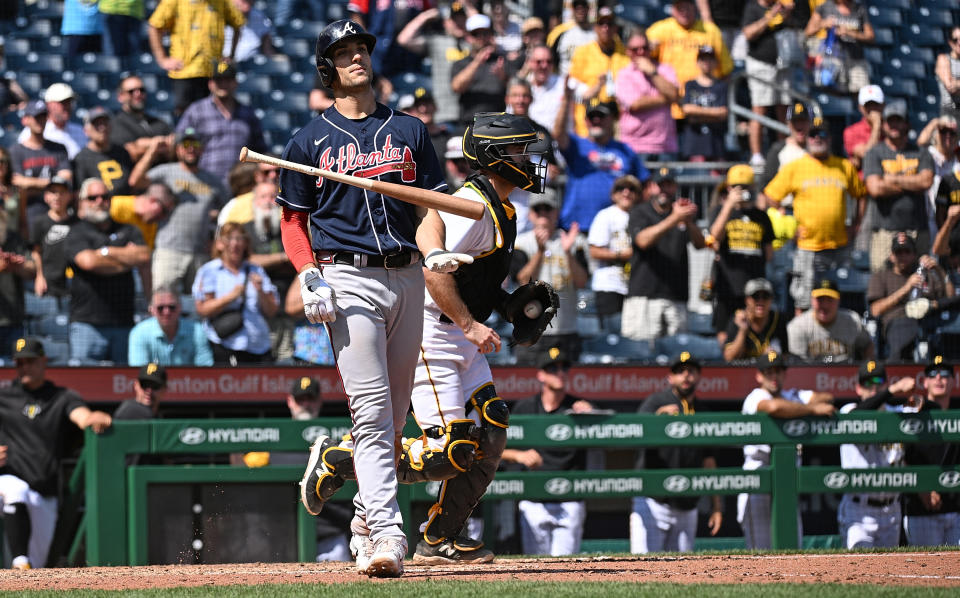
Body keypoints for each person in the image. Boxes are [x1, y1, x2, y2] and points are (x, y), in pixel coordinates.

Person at [303, 112, 550, 565]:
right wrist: (471, 323)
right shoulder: (472, 204)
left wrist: (509, 304)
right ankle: (340, 456)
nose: (529, 160)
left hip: (460, 335)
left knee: (491, 430)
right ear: (497, 157)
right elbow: (433, 263)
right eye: (519, 151)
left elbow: (467, 276)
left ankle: (440, 538)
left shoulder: (504, 206)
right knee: (447, 451)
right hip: (434, 333)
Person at [278, 19, 448, 578]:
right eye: (344, 52)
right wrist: (308, 274)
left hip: (407, 275)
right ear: (327, 69)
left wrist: (437, 252)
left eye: (361, 49)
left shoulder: (410, 130)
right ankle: (389, 535)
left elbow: (427, 207)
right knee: (373, 413)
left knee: (395, 419)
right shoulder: (309, 140)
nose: (356, 57)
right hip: (347, 280)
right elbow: (293, 221)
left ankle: (360, 519)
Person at [0, 337, 112, 569]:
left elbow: (82, 417)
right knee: (15, 491)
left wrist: (93, 418)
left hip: (44, 492)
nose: (24, 367)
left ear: (43, 361)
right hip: (9, 479)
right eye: (19, 363)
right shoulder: (4, 396)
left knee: (36, 568)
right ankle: (19, 559)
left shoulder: (62, 396)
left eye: (30, 361)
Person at [501, 347, 595, 555]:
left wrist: (591, 414)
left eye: (563, 369)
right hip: (534, 499)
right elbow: (496, 449)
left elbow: (608, 432)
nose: (560, 373)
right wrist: (519, 455)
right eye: (553, 369)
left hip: (569, 498)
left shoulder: (577, 407)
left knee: (567, 567)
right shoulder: (525, 407)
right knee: (536, 567)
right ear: (541, 374)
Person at [763, 123, 865, 314]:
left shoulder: (843, 166)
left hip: (840, 246)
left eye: (822, 134)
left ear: (830, 138)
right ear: (807, 139)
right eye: (813, 135)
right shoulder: (796, 167)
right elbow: (771, 196)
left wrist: (856, 224)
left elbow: (860, 194)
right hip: (807, 247)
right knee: (803, 300)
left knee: (841, 299)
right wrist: (789, 225)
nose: (817, 138)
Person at [738, 350, 835, 549]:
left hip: (786, 484)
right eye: (769, 372)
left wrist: (799, 404)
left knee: (791, 551)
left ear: (785, 374)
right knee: (761, 556)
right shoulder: (755, 396)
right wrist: (809, 410)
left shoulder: (793, 396)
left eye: (778, 371)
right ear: (759, 375)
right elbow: (773, 407)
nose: (774, 377)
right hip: (758, 481)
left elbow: (827, 398)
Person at [631, 352, 723, 553]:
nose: (686, 376)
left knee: (682, 572)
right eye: (680, 371)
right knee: (643, 570)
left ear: (699, 376)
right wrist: (657, 418)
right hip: (653, 499)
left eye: (691, 371)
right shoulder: (656, 402)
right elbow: (633, 434)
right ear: (670, 377)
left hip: (687, 503)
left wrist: (716, 506)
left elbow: (709, 460)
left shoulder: (703, 411)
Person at [64, 179, 150, 364]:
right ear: (82, 202)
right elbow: (89, 262)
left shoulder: (129, 229)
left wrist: (106, 252)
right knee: (85, 385)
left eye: (105, 197)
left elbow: (143, 256)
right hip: (87, 324)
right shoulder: (76, 232)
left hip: (123, 322)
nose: (99, 202)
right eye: (93, 198)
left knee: (124, 384)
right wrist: (127, 260)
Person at [622, 167, 707, 343]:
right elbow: (642, 241)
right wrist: (674, 219)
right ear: (652, 187)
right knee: (642, 354)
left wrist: (689, 222)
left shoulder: (681, 212)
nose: (664, 190)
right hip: (644, 296)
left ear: (675, 187)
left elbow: (700, 244)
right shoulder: (640, 212)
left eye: (668, 185)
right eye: (660, 185)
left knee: (676, 355)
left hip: (676, 296)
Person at [837, 360, 915, 549]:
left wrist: (908, 400)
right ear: (857, 388)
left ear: (885, 383)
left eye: (878, 381)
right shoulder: (848, 410)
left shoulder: (898, 413)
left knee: (890, 575)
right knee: (859, 571)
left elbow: (930, 410)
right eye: (867, 383)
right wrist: (890, 392)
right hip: (859, 511)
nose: (873, 387)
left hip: (892, 510)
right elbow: (857, 416)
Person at [147, 127, 229, 293]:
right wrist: (152, 151)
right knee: (162, 299)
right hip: (169, 250)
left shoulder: (212, 180)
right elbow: (136, 182)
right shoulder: (166, 171)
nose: (191, 147)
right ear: (177, 149)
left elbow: (227, 211)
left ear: (202, 149)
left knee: (199, 301)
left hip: (199, 253)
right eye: (186, 143)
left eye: (196, 143)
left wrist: (214, 227)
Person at [513, 189, 589, 366]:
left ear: (556, 212)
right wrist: (540, 252)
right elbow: (523, 282)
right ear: (530, 214)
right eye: (537, 209)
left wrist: (568, 253)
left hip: (566, 328)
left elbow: (582, 281)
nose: (543, 214)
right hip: (531, 331)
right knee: (528, 384)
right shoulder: (521, 242)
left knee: (566, 383)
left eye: (547, 209)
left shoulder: (574, 241)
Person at [553, 91, 648, 234]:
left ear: (611, 119)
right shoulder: (576, 145)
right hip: (576, 227)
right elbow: (558, 134)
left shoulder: (625, 150)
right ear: (585, 121)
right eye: (592, 117)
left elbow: (645, 184)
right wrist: (566, 100)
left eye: (601, 116)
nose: (596, 120)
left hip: (614, 229)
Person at [863, 100, 936, 272]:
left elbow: (926, 181)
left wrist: (891, 179)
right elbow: (875, 188)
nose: (894, 125)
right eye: (890, 121)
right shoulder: (875, 153)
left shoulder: (920, 152)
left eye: (898, 120)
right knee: (882, 279)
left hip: (917, 231)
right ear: (884, 124)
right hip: (884, 232)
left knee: (920, 279)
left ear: (907, 123)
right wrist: (912, 181)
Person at [192, 222, 279, 365]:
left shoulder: (256, 271)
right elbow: (203, 309)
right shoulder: (209, 271)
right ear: (220, 244)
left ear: (245, 243)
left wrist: (260, 291)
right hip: (226, 345)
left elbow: (271, 311)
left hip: (257, 345)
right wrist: (231, 297)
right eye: (229, 239)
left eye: (239, 239)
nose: (235, 244)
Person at [707, 164, 774, 342]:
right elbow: (714, 237)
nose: (742, 191)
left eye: (746, 186)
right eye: (737, 187)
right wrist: (729, 205)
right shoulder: (719, 212)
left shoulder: (762, 216)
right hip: (727, 285)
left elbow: (769, 254)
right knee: (723, 332)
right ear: (728, 188)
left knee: (752, 333)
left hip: (754, 290)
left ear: (753, 187)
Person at [177, 61, 268, 189]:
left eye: (228, 80)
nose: (223, 84)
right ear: (210, 83)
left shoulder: (248, 114)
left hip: (241, 185)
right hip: (205, 184)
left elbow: (260, 150)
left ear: (235, 83)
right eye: (219, 80)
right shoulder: (196, 111)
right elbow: (180, 143)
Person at [147, 0, 245, 117]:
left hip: (212, 73)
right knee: (185, 118)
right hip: (184, 72)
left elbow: (238, 23)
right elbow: (154, 27)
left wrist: (231, 55)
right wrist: (162, 59)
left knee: (210, 117)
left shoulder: (222, 2)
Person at [902, 356, 960, 546]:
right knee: (924, 569)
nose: (938, 379)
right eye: (932, 375)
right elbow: (902, 458)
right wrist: (922, 488)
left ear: (954, 380)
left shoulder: (957, 413)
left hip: (955, 508)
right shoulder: (913, 412)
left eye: (944, 374)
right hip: (921, 508)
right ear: (925, 381)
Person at [867, 233, 952, 360]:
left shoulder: (925, 275)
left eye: (907, 252)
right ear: (891, 256)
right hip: (898, 322)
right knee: (904, 335)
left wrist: (939, 270)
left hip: (929, 320)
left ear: (914, 255)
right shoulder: (881, 276)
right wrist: (906, 288)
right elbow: (875, 310)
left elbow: (951, 298)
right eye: (898, 252)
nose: (903, 256)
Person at [646, 0, 734, 121]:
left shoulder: (710, 30)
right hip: (670, 106)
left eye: (687, 7)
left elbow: (726, 70)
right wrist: (650, 48)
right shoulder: (660, 30)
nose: (684, 11)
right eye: (680, 8)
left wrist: (718, 99)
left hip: (705, 108)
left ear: (695, 8)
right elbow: (641, 56)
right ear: (672, 9)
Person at [741, 0, 794, 166]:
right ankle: (756, 155)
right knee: (759, 109)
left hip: (782, 64)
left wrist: (788, 13)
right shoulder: (753, 7)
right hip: (760, 63)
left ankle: (785, 151)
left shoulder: (782, 7)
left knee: (784, 110)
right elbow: (748, 33)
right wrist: (769, 17)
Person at [587, 175, 642, 333]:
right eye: (621, 188)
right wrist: (622, 255)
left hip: (634, 286)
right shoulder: (606, 215)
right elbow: (594, 251)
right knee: (611, 336)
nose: (626, 192)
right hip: (609, 284)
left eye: (632, 189)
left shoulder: (641, 216)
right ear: (613, 194)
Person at [615, 28, 679, 160]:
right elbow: (635, 104)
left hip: (665, 145)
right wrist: (666, 98)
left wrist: (653, 72)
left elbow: (674, 94)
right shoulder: (624, 74)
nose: (641, 52)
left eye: (644, 48)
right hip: (634, 146)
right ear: (627, 51)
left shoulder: (664, 70)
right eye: (635, 49)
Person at [10, 99, 72, 232]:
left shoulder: (59, 148)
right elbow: (19, 184)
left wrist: (31, 184)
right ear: (25, 120)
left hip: (58, 213)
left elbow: (66, 180)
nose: (40, 120)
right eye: (36, 117)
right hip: (29, 214)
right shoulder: (16, 151)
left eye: (43, 116)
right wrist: (54, 185)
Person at [567, 5, 627, 139]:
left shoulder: (625, 54)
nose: (606, 28)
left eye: (610, 24)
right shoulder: (583, 52)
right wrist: (596, 87)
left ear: (615, 28)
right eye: (601, 24)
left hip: (617, 121)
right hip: (590, 118)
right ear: (595, 28)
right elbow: (572, 85)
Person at [787, 277, 874, 363]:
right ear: (812, 300)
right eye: (820, 299)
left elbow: (867, 345)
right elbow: (797, 365)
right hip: (809, 375)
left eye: (830, 299)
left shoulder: (853, 321)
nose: (825, 305)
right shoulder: (798, 326)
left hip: (845, 375)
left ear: (838, 300)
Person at [451, 14, 516, 127]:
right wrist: (477, 62)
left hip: (498, 124)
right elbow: (456, 87)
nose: (481, 38)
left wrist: (503, 77)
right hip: (469, 124)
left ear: (491, 35)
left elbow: (516, 89)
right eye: (476, 34)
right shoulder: (460, 63)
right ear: (468, 36)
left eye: (485, 33)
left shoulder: (502, 60)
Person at [74, 107, 155, 195]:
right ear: (86, 131)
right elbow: (79, 194)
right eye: (96, 124)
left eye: (105, 123)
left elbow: (134, 184)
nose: (102, 128)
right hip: (100, 204)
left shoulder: (122, 152)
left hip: (128, 202)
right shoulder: (81, 159)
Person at [128, 287, 214, 366]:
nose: (166, 312)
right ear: (151, 310)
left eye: (172, 307)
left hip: (189, 381)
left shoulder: (197, 331)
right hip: (153, 381)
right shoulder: (139, 333)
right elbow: (139, 373)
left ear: (180, 308)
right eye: (160, 308)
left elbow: (205, 371)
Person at [804, 0, 874, 95]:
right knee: (833, 92)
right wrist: (823, 24)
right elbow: (807, 32)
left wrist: (849, 32)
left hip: (856, 59)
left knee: (861, 94)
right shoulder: (825, 7)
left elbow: (870, 37)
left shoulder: (859, 8)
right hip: (833, 61)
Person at [109, 74, 175, 165]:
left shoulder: (159, 122)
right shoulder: (115, 124)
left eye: (141, 90)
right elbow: (130, 153)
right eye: (131, 91)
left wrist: (145, 144)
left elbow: (175, 146)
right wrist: (160, 144)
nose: (138, 94)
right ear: (120, 96)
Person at [29, 176, 77, 301]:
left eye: (62, 192)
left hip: (74, 284)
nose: (57, 196)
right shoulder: (40, 222)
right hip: (48, 284)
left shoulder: (77, 223)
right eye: (53, 192)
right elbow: (36, 251)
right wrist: (39, 276)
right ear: (46, 196)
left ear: (69, 196)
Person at [678, 45, 728, 162]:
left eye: (710, 59)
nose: (707, 63)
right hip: (694, 144)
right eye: (703, 59)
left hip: (716, 144)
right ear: (698, 62)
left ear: (716, 62)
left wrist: (697, 114)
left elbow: (723, 113)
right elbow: (687, 110)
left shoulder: (721, 86)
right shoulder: (690, 84)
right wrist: (713, 113)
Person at [15, 83, 88, 161]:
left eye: (69, 102)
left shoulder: (80, 131)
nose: (67, 106)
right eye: (62, 102)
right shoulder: (32, 132)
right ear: (48, 104)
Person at [722, 278, 788, 362]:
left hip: (768, 372)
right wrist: (742, 330)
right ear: (747, 300)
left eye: (765, 296)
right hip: (743, 373)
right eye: (755, 296)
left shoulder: (778, 319)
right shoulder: (738, 319)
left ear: (771, 300)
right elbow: (729, 358)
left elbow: (785, 356)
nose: (760, 301)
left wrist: (771, 357)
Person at [0, 210, 35, 356]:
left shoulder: (14, 238)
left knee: (16, 370)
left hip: (12, 321)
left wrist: (17, 266)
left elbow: (32, 270)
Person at [109, 182, 177, 252]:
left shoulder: (151, 225)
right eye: (164, 211)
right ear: (152, 201)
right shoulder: (116, 205)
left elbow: (147, 253)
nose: (164, 217)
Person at [843, 84, 884, 174]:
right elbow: (868, 155)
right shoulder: (851, 131)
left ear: (883, 105)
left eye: (876, 104)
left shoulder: (891, 129)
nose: (872, 109)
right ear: (861, 108)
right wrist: (877, 126)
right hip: (863, 182)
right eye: (868, 105)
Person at [549, 0, 595, 76]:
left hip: (590, 81)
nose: (580, 10)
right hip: (566, 81)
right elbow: (551, 58)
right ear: (572, 9)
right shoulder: (560, 32)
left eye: (583, 7)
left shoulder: (597, 33)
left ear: (588, 9)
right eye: (577, 8)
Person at [525, 44, 565, 131]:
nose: (544, 66)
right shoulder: (522, 88)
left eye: (549, 61)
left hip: (556, 142)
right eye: (539, 62)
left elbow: (585, 94)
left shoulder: (563, 84)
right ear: (530, 63)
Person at [937, 26, 960, 115]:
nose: (959, 43)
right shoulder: (944, 59)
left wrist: (957, 83)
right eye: (955, 40)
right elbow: (951, 87)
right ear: (950, 43)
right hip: (950, 111)